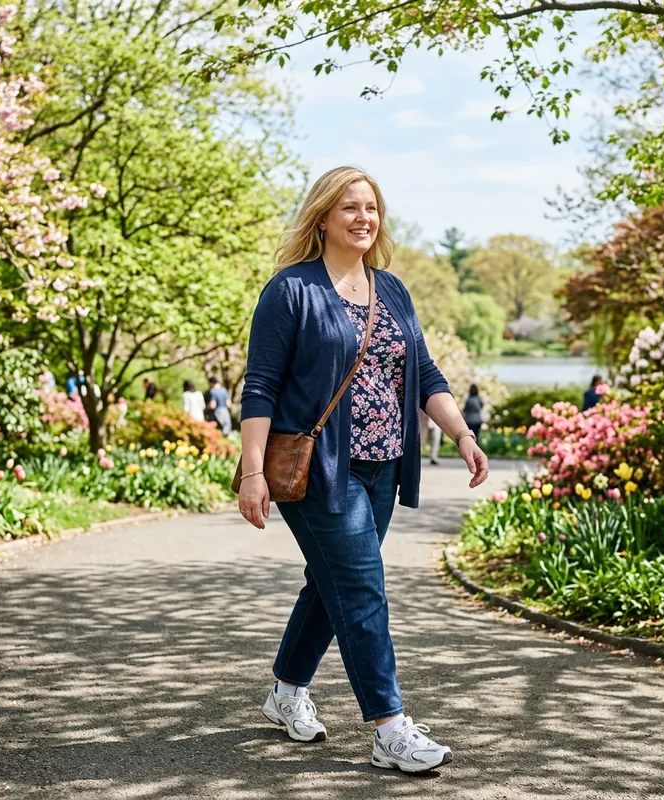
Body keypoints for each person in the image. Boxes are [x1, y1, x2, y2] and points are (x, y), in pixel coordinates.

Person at [238, 166, 489, 774]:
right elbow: (262, 385)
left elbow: (425, 374)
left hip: (382, 468)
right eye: (348, 207)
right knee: (362, 590)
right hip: (319, 468)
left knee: (332, 587)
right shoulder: (291, 290)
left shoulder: (392, 291)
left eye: (371, 208)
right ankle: (388, 728)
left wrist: (461, 433)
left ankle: (286, 690)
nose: (362, 218)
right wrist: (251, 471)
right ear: (323, 216)